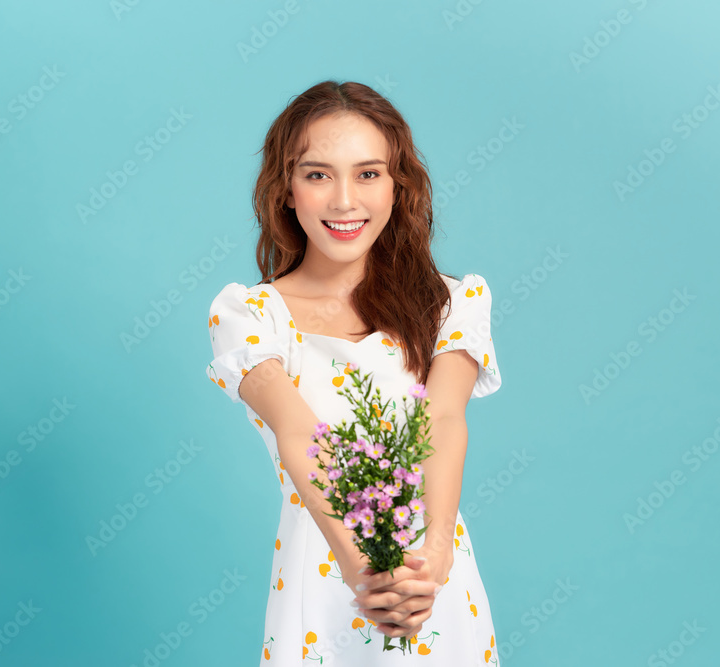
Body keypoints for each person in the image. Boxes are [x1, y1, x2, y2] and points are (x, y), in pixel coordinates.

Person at [206, 80, 503, 664]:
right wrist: (361, 571)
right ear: (285, 190)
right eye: (318, 175)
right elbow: (299, 434)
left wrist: (432, 562)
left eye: (368, 174)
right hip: (323, 587)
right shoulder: (251, 316)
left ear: (398, 187)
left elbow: (442, 419)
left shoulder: (450, 303)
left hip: (432, 582)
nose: (345, 201)